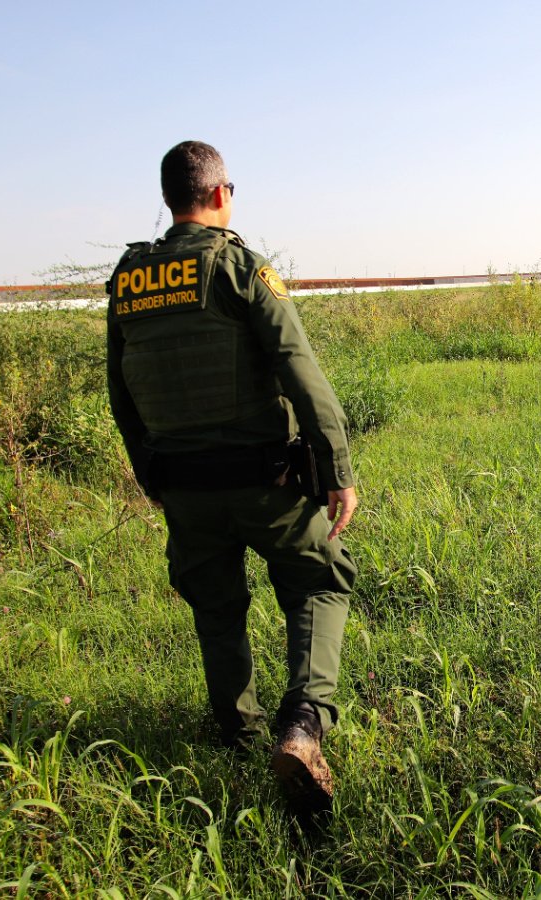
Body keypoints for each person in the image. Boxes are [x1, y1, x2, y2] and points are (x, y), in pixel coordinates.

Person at [105, 140, 358, 818]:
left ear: (169, 200)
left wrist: (148, 473)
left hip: (182, 485)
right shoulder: (240, 267)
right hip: (265, 481)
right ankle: (304, 726)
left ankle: (236, 732)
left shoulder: (129, 278)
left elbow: (120, 393)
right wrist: (336, 469)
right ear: (222, 194)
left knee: (216, 607)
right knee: (319, 578)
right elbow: (300, 371)